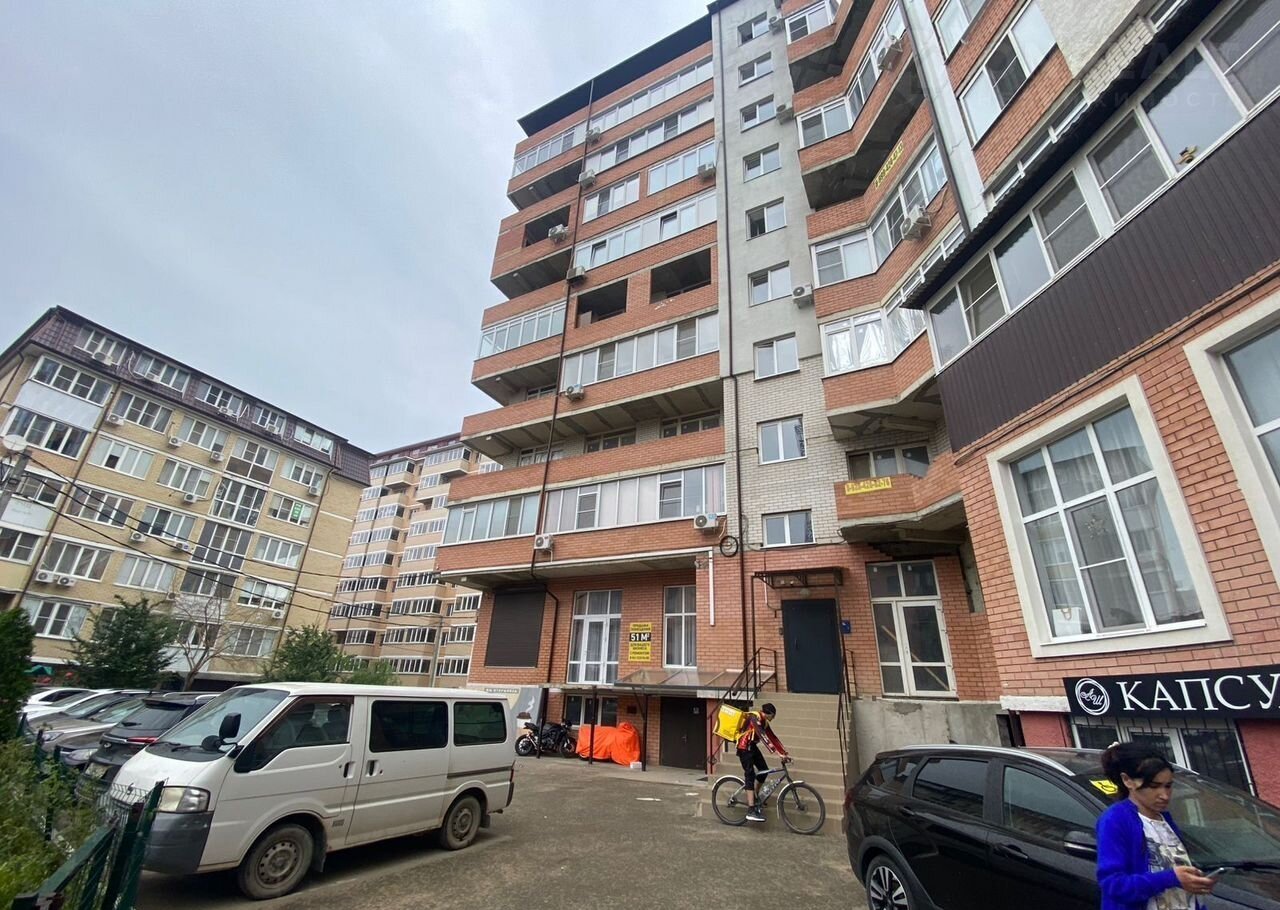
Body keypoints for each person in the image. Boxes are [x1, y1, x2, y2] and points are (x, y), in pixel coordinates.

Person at [1096, 741, 1216, 910]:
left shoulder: (1164, 818)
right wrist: (1171, 878)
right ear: (1127, 780)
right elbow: (1114, 885)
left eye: (1168, 786)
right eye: (1154, 786)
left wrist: (1194, 882)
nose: (1164, 795)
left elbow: (1176, 875)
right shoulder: (1115, 819)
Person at [735, 702, 789, 823]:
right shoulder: (755, 718)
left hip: (752, 747)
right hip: (744, 748)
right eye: (773, 716)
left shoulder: (764, 722)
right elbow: (763, 736)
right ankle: (751, 810)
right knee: (750, 775)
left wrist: (784, 752)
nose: (773, 719)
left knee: (764, 770)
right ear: (768, 714)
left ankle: (755, 795)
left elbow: (772, 737)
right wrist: (777, 753)